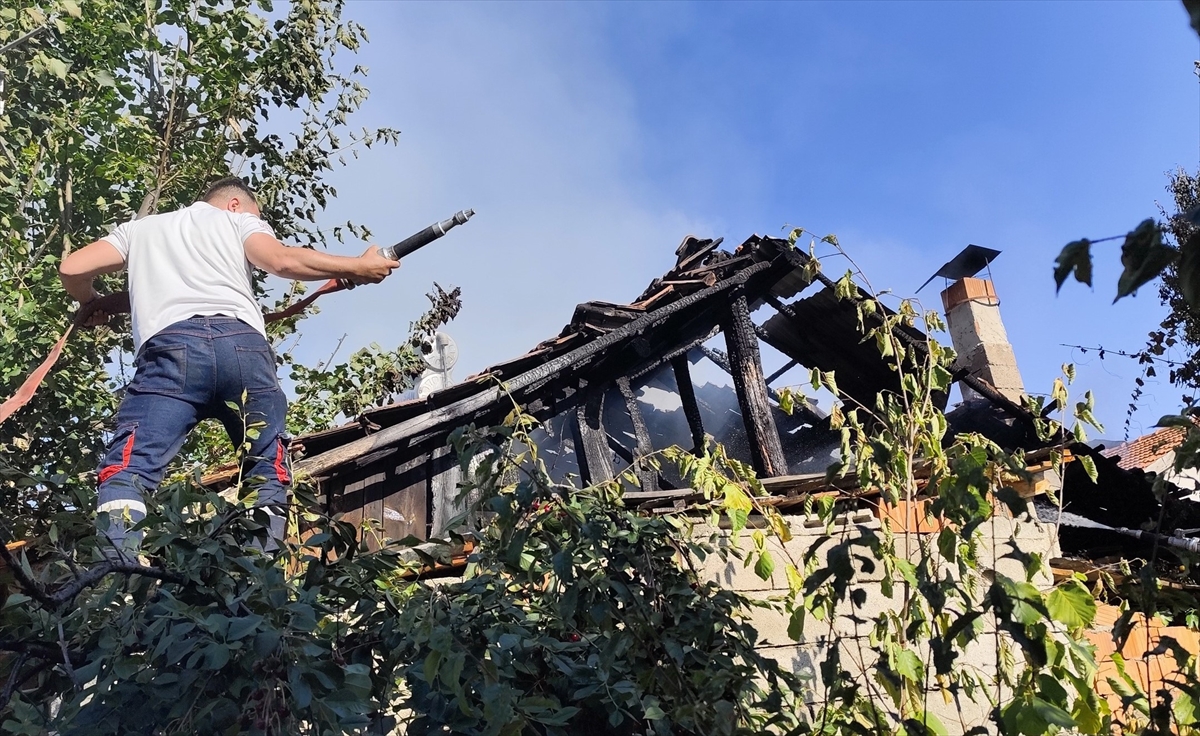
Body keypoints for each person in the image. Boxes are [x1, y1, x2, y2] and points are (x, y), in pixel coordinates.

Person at [58, 177, 399, 558]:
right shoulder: (238, 222)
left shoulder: (138, 232)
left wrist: (92, 302)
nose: (259, 221)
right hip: (244, 351)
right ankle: (260, 584)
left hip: (170, 355)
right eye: (258, 215)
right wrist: (358, 266)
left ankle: (117, 580)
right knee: (265, 469)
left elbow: (72, 268)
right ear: (235, 204)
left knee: (129, 470)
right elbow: (281, 260)